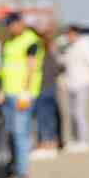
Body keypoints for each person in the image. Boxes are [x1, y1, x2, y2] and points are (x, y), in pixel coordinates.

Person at [0, 13, 43, 178]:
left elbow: (31, 67)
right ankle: (12, 166)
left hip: (22, 95)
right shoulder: (10, 41)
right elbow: (5, 66)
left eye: (11, 25)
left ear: (20, 24)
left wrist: (26, 92)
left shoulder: (31, 41)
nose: (9, 28)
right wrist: (1, 89)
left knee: (20, 132)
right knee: (10, 132)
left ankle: (22, 169)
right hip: (8, 92)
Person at [59, 26, 89, 154]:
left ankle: (84, 140)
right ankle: (75, 139)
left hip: (82, 84)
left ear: (76, 34)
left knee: (80, 113)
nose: (68, 37)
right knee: (71, 113)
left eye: (70, 35)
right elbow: (65, 64)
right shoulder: (69, 48)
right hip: (70, 84)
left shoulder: (85, 46)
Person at [31, 24, 62, 161]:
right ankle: (50, 144)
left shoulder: (41, 51)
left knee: (44, 118)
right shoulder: (52, 51)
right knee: (49, 118)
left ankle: (45, 145)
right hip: (51, 88)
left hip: (43, 88)